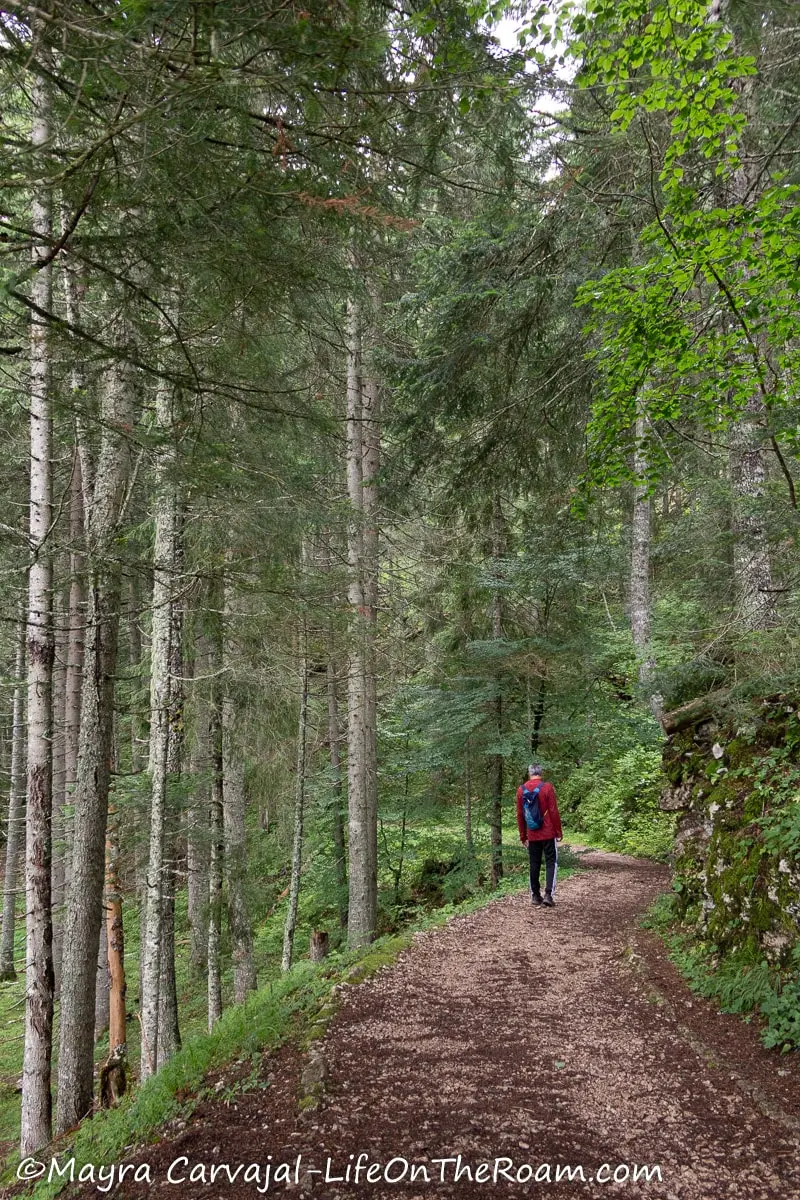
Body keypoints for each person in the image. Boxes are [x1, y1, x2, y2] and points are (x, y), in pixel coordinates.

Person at [517, 762, 563, 908]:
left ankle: (535, 896)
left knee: (534, 864)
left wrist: (523, 836)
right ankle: (549, 895)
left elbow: (520, 815)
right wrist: (558, 831)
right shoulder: (547, 787)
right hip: (548, 832)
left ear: (529, 773)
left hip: (532, 833)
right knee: (551, 862)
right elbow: (553, 811)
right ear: (541, 773)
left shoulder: (521, 790)